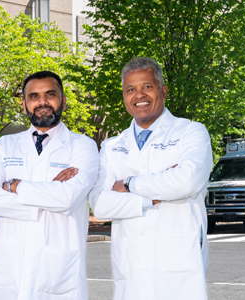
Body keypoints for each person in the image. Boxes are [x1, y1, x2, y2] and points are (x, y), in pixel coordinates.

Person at [88, 57, 213, 300]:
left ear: (163, 91)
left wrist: (128, 185)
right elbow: (101, 205)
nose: (139, 95)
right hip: (130, 267)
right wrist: (155, 196)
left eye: (147, 86)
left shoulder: (191, 132)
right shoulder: (113, 145)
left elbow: (187, 182)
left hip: (179, 264)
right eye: (130, 89)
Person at [0, 71, 99, 300]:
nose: (42, 102)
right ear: (24, 104)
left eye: (50, 94)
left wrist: (14, 185)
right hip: (8, 273)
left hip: (57, 274)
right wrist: (48, 193)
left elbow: (68, 199)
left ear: (63, 100)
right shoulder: (5, 145)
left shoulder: (83, 146)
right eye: (33, 96)